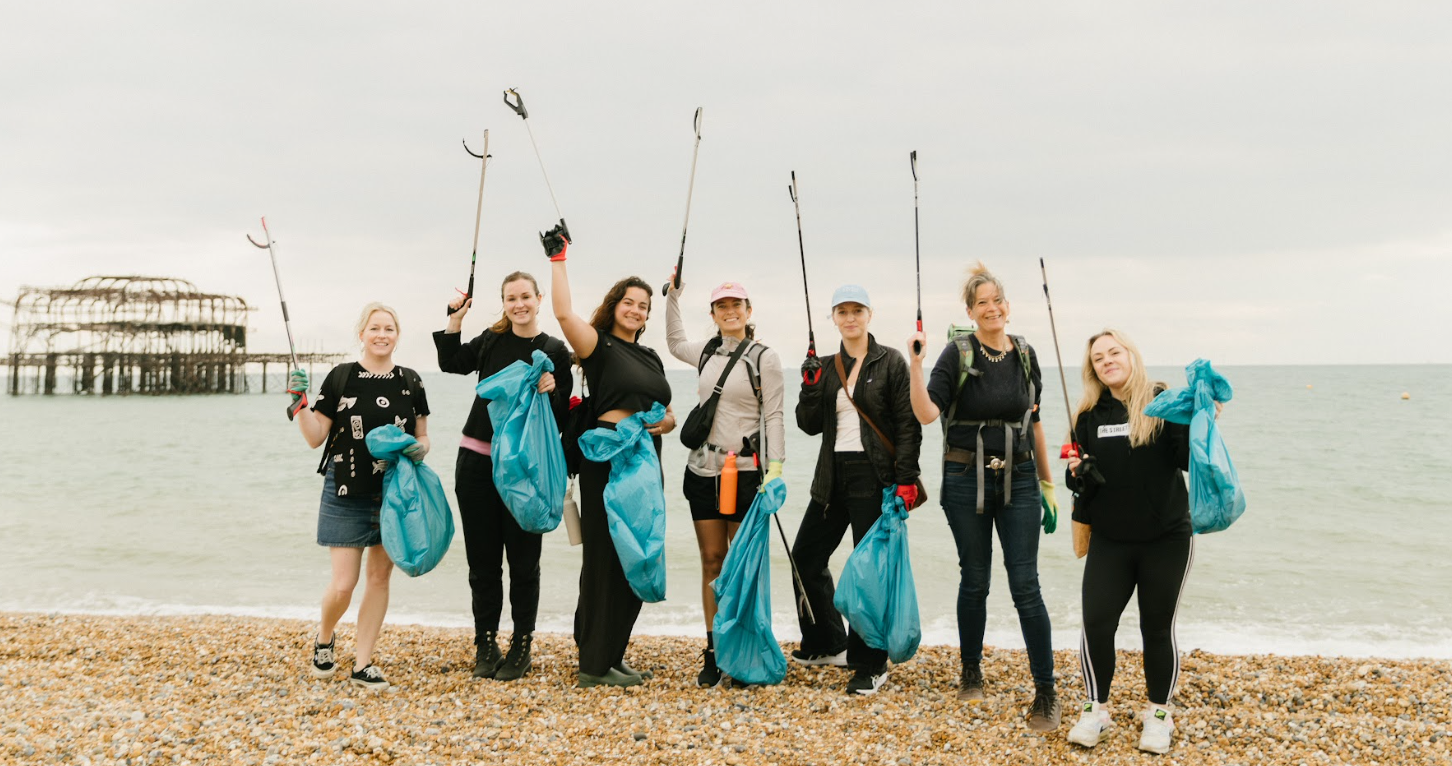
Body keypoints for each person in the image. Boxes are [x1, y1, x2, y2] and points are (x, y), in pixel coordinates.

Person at [906, 262, 1061, 730]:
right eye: (982, 303)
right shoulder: (957, 354)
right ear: (970, 312)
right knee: (975, 579)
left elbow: (1034, 421)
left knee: (1025, 586)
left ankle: (1046, 692)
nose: (991, 308)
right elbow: (927, 414)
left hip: (1019, 479)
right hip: (963, 479)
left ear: (1007, 306)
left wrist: (1048, 485)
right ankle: (970, 670)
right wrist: (915, 362)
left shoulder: (1027, 355)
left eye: (997, 300)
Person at [544, 227, 676, 688]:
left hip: (646, 460)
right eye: (629, 301)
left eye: (644, 305)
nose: (636, 309)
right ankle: (593, 664)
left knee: (636, 554)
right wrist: (558, 259)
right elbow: (562, 313)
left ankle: (612, 653)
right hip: (608, 458)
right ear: (615, 304)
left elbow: (667, 411)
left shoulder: (652, 357)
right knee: (604, 555)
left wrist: (668, 422)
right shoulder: (598, 347)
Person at [1063, 329, 1203, 755]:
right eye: (1099, 358)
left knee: (1156, 628)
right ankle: (1096, 710)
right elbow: (1077, 477)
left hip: (1167, 538)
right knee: (1096, 623)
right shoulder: (1088, 414)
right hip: (1111, 540)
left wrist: (1202, 417)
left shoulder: (1163, 401)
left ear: (1130, 354)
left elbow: (1187, 458)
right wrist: (1076, 474)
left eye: (1114, 352)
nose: (1107, 361)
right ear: (1094, 369)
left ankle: (1159, 713)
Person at [434, 272, 572, 681]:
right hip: (477, 463)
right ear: (504, 303)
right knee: (483, 563)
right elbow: (451, 363)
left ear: (538, 298)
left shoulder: (554, 350)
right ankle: (485, 643)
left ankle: (522, 646)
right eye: (511, 298)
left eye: (525, 296)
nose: (519, 304)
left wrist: (552, 389)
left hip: (527, 471)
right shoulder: (492, 341)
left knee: (525, 563)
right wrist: (454, 321)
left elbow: (563, 417)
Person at [288, 303, 429, 692]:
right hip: (345, 488)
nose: (382, 334)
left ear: (397, 335)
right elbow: (316, 436)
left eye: (389, 328)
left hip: (394, 492)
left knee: (380, 578)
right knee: (343, 585)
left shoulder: (412, 382)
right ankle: (325, 635)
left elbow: (423, 436)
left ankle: (364, 662)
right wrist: (300, 403)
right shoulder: (341, 377)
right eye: (375, 328)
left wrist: (420, 450)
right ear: (362, 334)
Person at [791, 284, 921, 696]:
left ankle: (870, 664)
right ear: (833, 318)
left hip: (875, 477)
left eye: (857, 310)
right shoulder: (826, 366)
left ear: (869, 315)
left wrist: (906, 479)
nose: (850, 318)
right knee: (806, 558)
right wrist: (810, 386)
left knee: (869, 574)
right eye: (842, 312)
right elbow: (808, 425)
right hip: (831, 476)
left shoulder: (891, 362)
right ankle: (828, 642)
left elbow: (907, 424)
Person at [665, 278, 785, 687]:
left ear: (749, 312)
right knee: (713, 562)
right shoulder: (705, 353)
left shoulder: (764, 358)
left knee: (741, 567)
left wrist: (777, 469)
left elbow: (774, 416)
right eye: (721, 306)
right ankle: (715, 650)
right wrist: (673, 297)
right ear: (713, 315)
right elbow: (673, 340)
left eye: (736, 305)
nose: (729, 311)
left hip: (747, 472)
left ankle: (744, 648)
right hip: (702, 470)